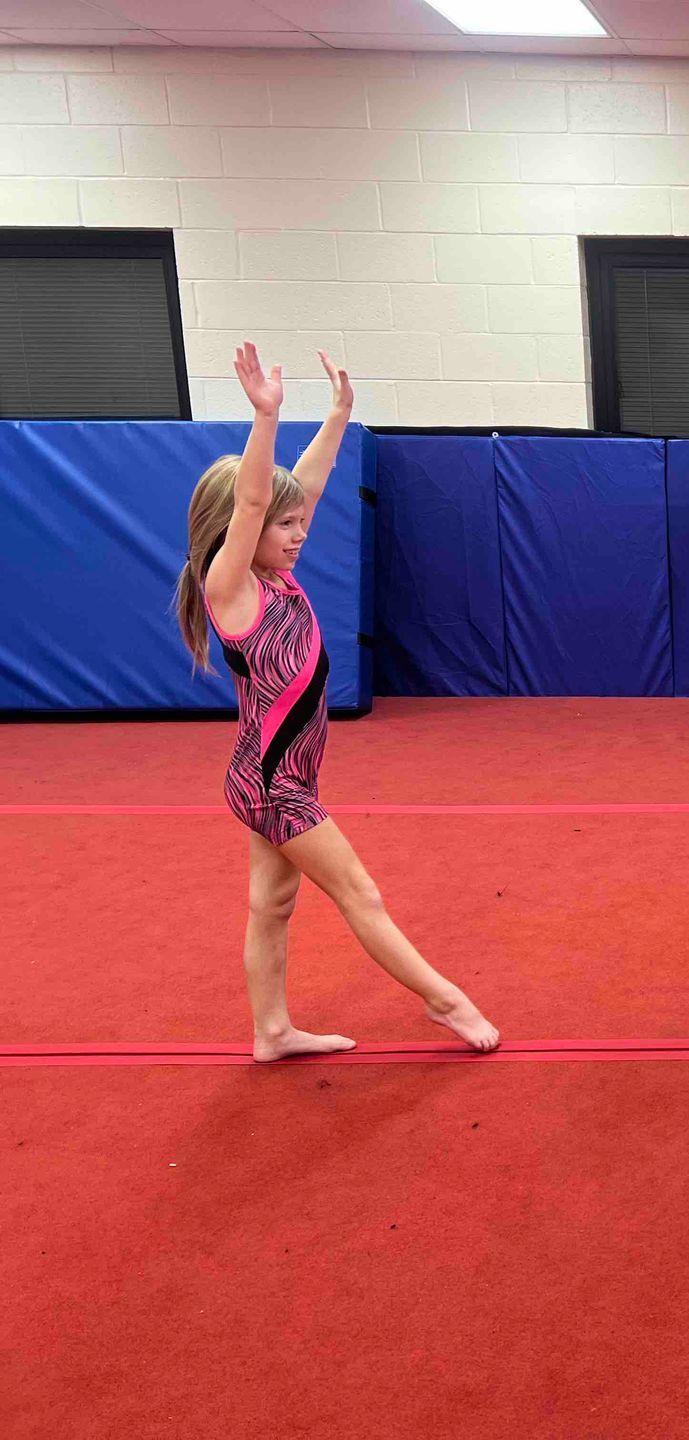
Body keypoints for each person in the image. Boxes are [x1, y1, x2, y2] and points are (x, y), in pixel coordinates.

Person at [173, 343, 500, 1061]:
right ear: (242, 528)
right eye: (284, 527)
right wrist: (267, 417)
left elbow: (301, 488)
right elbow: (259, 497)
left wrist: (338, 418)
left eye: (301, 524)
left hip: (277, 776)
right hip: (273, 785)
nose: (301, 534)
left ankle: (271, 1031)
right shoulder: (232, 589)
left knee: (272, 906)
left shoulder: (277, 575)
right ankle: (445, 1000)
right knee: (359, 891)